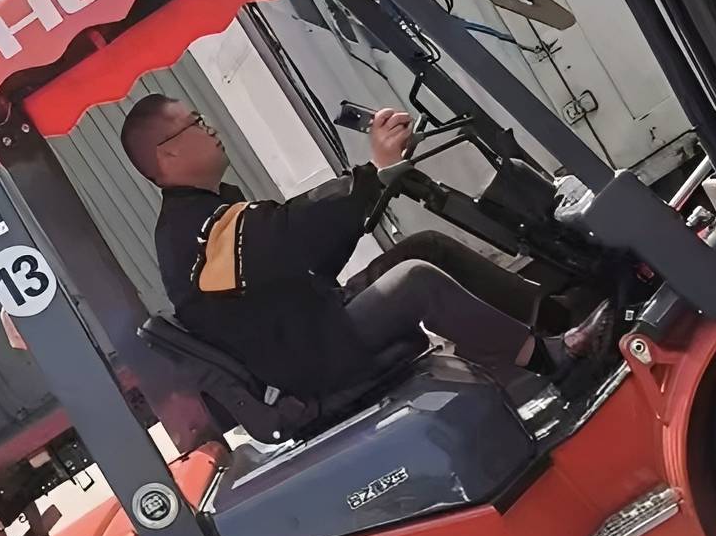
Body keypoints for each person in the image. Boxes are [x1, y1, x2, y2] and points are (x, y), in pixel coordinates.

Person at [119, 95, 609, 407]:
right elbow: (293, 235)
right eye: (196, 122)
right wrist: (372, 172)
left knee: (425, 247)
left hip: (314, 323)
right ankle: (554, 359)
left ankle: (558, 315)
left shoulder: (207, 214)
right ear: (169, 152)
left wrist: (378, 181)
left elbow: (304, 260)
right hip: (314, 356)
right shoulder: (192, 233)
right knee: (415, 280)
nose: (210, 127)